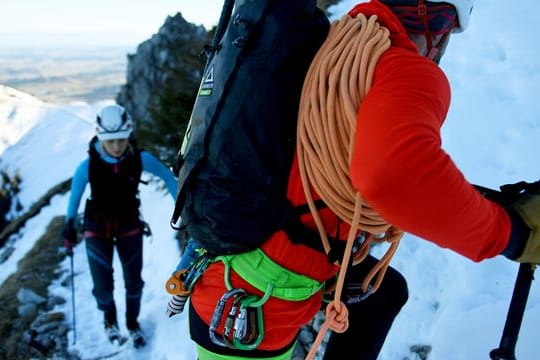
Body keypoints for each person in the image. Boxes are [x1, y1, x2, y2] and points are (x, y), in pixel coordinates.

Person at [171, 0, 540, 359]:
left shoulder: (332, 45)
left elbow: (357, 154)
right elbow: (392, 176)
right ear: (434, 24)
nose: (442, 43)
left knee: (385, 292)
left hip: (233, 267)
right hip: (258, 307)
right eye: (447, 26)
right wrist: (514, 233)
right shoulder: (406, 69)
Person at [62, 104, 177, 348]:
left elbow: (168, 177)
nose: (116, 146)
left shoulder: (140, 159)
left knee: (133, 281)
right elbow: (75, 196)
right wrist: (69, 225)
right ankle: (110, 321)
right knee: (103, 285)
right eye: (110, 140)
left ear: (129, 135)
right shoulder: (88, 166)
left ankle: (132, 324)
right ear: (100, 135)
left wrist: (183, 207)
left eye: (121, 140)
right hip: (97, 227)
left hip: (129, 224)